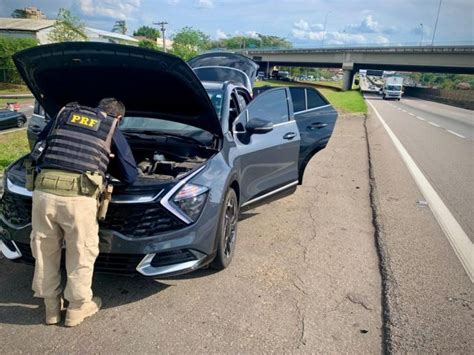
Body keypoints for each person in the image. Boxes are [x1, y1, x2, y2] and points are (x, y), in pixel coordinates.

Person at [30, 98, 137, 327]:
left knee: (44, 250)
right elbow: (130, 174)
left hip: (42, 192)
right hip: (79, 198)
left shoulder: (64, 114)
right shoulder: (110, 125)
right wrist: (107, 160)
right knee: (81, 253)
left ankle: (51, 308)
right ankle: (77, 309)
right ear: (118, 117)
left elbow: (39, 147)